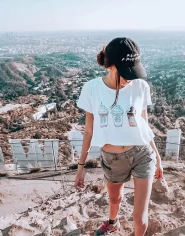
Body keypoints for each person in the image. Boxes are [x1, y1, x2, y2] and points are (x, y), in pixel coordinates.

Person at [74, 37, 163, 236]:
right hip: (112, 158)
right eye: (126, 73)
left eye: (133, 72)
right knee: (115, 200)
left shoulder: (141, 87)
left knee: (139, 218)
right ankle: (113, 223)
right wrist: (81, 167)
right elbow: (88, 131)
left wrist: (157, 156)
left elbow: (143, 124)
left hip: (142, 154)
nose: (129, 78)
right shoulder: (91, 89)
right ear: (111, 65)